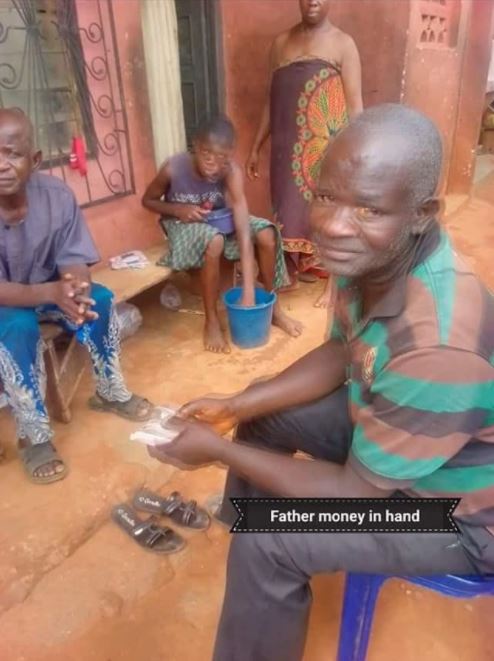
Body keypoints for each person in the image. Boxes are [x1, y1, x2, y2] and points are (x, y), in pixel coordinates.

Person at [149, 105, 494, 661]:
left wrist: (217, 450)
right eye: (326, 196)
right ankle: (246, 543)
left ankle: (258, 551)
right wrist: (236, 405)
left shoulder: (436, 346)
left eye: (369, 208)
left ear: (421, 214)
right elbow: (340, 352)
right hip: (396, 436)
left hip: (460, 512)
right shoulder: (377, 257)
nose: (333, 225)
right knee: (261, 410)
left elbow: (357, 494)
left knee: (271, 538)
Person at [0, 108, 153, 484]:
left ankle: (110, 392)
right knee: (18, 326)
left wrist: (75, 289)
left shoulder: (56, 196)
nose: (1, 165)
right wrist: (52, 291)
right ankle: (34, 436)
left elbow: (74, 259)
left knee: (98, 300)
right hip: (7, 303)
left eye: (12, 154)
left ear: (35, 159)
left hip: (50, 290)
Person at [142, 115, 302, 354]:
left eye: (222, 159)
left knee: (266, 233)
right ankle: (212, 321)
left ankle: (274, 309)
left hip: (217, 220)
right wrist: (178, 209)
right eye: (207, 155)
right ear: (196, 146)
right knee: (214, 240)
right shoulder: (173, 168)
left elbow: (243, 225)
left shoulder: (231, 172)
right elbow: (148, 201)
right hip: (180, 223)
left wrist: (249, 288)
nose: (214, 165)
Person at [247, 0, 363, 308]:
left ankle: (334, 286)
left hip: (325, 149)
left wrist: (357, 152)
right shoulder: (280, 44)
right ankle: (291, 271)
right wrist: (256, 146)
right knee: (287, 211)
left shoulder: (343, 44)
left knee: (328, 214)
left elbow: (355, 106)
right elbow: (270, 102)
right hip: (285, 150)